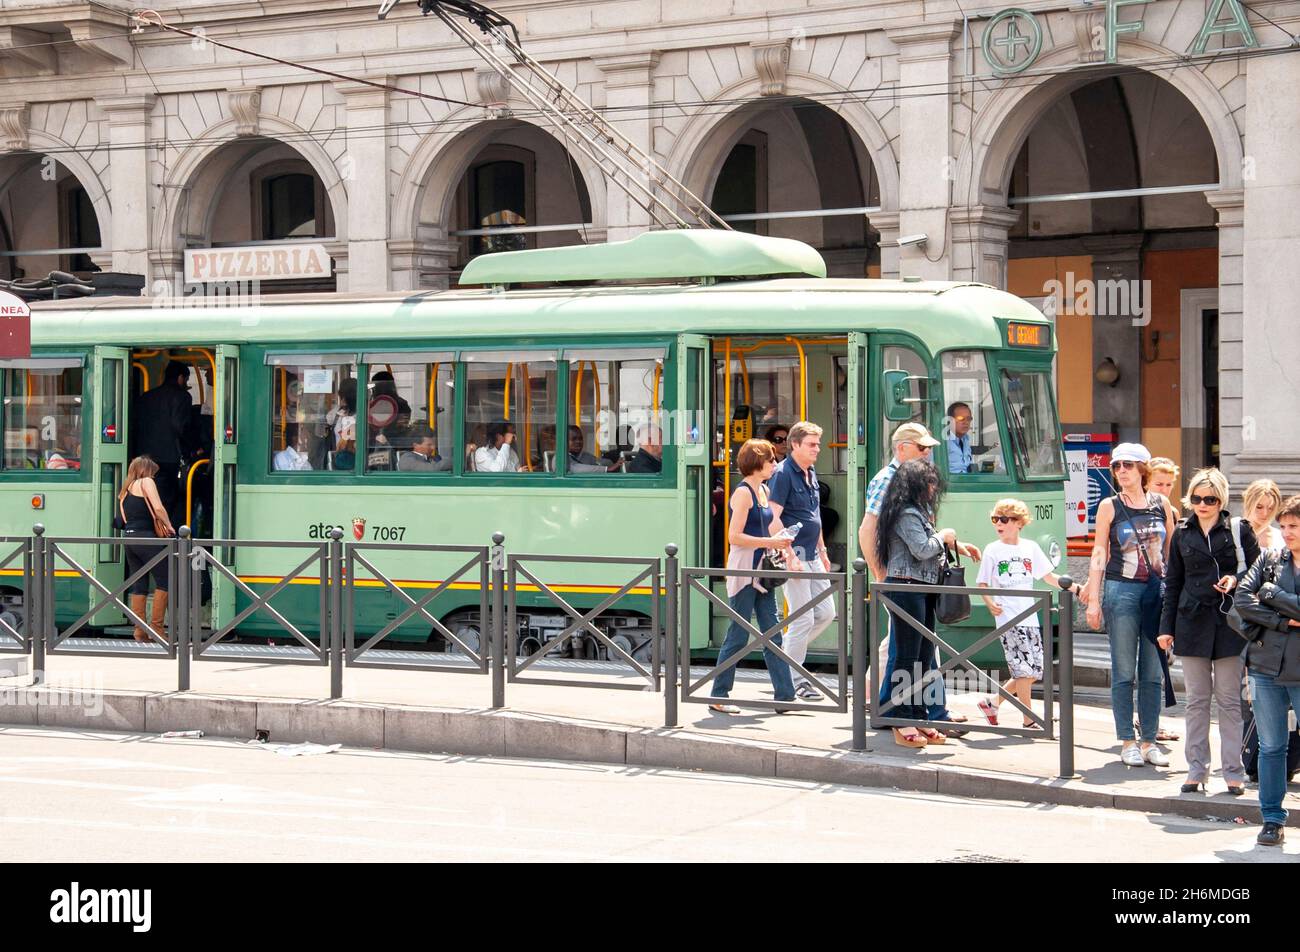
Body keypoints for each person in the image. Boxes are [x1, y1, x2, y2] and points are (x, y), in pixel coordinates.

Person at [860, 422, 979, 727]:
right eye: (922, 448)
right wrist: (880, 573)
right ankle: (927, 713)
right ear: (902, 448)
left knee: (906, 648)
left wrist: (954, 543)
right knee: (917, 649)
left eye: (929, 448)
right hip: (904, 579)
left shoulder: (910, 480)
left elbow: (920, 532)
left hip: (911, 578)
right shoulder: (888, 479)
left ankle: (891, 708)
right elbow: (868, 529)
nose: (928, 454)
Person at [1158, 468, 1258, 795]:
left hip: (1228, 624)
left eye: (1210, 499)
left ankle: (1233, 771)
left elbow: (1258, 573)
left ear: (1221, 499)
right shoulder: (1183, 533)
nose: (1202, 504)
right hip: (1190, 622)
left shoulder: (1238, 529)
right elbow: (1172, 583)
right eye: (1197, 498)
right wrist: (1165, 628)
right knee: (1196, 701)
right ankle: (1196, 769)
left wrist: (1234, 580)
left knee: (1229, 701)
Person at [1084, 442, 1176, 767]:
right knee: (1124, 670)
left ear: (1142, 470)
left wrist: (1174, 599)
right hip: (1120, 591)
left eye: (1128, 465)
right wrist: (1093, 599)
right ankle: (1127, 740)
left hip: (1155, 594)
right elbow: (1099, 553)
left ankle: (1150, 740)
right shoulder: (1109, 506)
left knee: (1152, 672)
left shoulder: (1162, 504)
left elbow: (1170, 554)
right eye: (1117, 466)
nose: (1121, 471)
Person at [875, 459, 960, 747]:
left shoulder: (916, 511)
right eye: (930, 482)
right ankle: (902, 718)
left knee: (923, 655)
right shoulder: (905, 513)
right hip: (906, 588)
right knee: (908, 655)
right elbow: (922, 549)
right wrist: (943, 537)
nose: (934, 488)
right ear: (915, 484)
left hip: (920, 588)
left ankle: (918, 714)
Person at [976, 499, 1081, 728]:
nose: (998, 524)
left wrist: (1076, 588)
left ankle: (992, 703)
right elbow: (982, 583)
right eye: (995, 519)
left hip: (1030, 616)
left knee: (1033, 671)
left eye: (1004, 519)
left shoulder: (1030, 547)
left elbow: (1048, 576)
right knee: (1023, 671)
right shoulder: (993, 549)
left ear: (1019, 522)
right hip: (1008, 617)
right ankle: (1028, 719)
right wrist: (990, 603)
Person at [709, 438, 797, 713]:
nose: (774, 463)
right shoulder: (744, 492)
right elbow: (734, 536)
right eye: (770, 459)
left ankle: (785, 697)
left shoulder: (762, 490)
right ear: (757, 463)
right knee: (738, 634)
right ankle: (718, 695)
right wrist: (771, 544)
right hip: (745, 570)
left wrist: (783, 541)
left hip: (762, 570)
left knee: (772, 633)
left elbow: (768, 527)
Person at [1233, 493, 1300, 847]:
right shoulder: (1270, 557)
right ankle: (1272, 819)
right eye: (1285, 526)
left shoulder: (1271, 573)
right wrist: (1284, 620)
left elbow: (1260, 596)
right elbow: (1243, 600)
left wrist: (1271, 594)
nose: (1286, 532)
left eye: (1294, 527)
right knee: (1271, 747)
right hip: (1264, 666)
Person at [767, 420, 836, 701]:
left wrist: (822, 550)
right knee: (802, 618)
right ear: (795, 445)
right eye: (812, 444)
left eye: (817, 443)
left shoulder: (810, 472)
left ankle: (784, 661)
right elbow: (772, 517)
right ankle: (794, 679)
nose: (817, 449)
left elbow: (813, 514)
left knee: (826, 613)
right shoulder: (783, 474)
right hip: (794, 556)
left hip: (812, 554)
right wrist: (788, 554)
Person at [117, 455, 175, 643]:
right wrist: (169, 525)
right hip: (147, 539)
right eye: (153, 473)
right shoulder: (146, 482)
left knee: (139, 584)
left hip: (130, 539)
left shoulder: (124, 491)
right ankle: (157, 629)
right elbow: (158, 508)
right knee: (165, 579)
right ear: (146, 470)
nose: (154, 476)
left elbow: (124, 520)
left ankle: (139, 630)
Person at [133, 360, 191, 526]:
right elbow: (181, 426)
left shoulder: (146, 397)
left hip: (144, 458)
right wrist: (191, 449)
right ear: (181, 378)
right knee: (168, 500)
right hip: (169, 458)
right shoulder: (182, 397)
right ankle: (165, 536)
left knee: (146, 497)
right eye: (186, 380)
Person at [1243, 478, 1284, 554]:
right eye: (1259, 507)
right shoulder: (1233, 534)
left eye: (1270, 508)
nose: (1265, 513)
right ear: (1248, 504)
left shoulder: (1282, 537)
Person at [326, 378, 357, 471]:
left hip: (356, 461)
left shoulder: (361, 413)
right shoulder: (337, 413)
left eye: (343, 396)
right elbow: (328, 419)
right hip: (338, 459)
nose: (341, 398)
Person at [946, 401, 975, 475]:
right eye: (961, 418)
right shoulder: (943, 442)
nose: (966, 422)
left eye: (968, 419)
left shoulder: (965, 439)